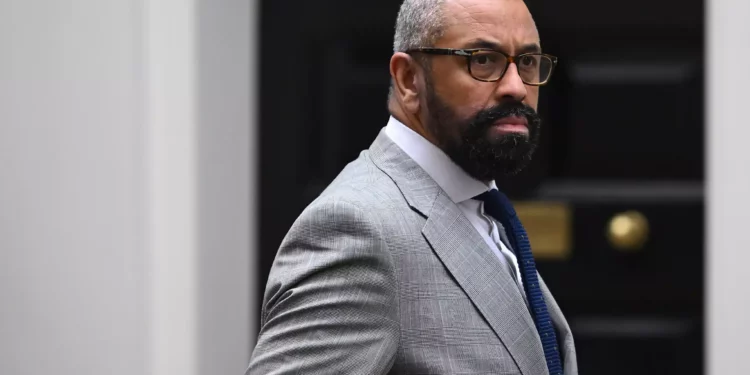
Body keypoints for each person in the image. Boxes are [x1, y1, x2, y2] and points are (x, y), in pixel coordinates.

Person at [246, 0, 577, 373]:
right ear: (408, 79)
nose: (516, 87)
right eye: (483, 59)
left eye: (529, 62)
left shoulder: (481, 205)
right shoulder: (358, 227)